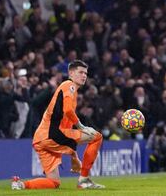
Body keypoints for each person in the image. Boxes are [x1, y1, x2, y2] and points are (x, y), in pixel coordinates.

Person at [11, 60, 104, 190]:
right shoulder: (69, 85)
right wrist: (81, 126)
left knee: (54, 182)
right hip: (52, 134)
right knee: (97, 137)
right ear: (71, 73)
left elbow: (67, 130)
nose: (84, 76)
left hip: (41, 139)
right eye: (81, 72)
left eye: (86, 73)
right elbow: (67, 111)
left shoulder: (71, 91)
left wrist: (74, 155)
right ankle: (84, 180)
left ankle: (20, 184)